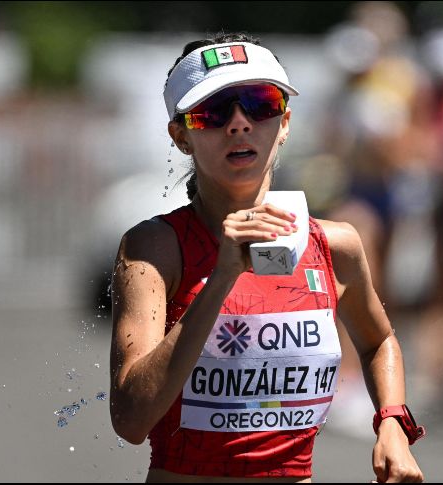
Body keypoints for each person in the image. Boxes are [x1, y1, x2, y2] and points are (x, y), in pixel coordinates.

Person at [108, 32, 425, 483]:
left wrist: (392, 422)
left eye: (259, 103)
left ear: (286, 122)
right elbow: (131, 420)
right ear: (181, 137)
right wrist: (222, 277)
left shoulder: (334, 245)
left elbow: (378, 342)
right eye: (213, 112)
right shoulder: (155, 248)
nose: (239, 123)